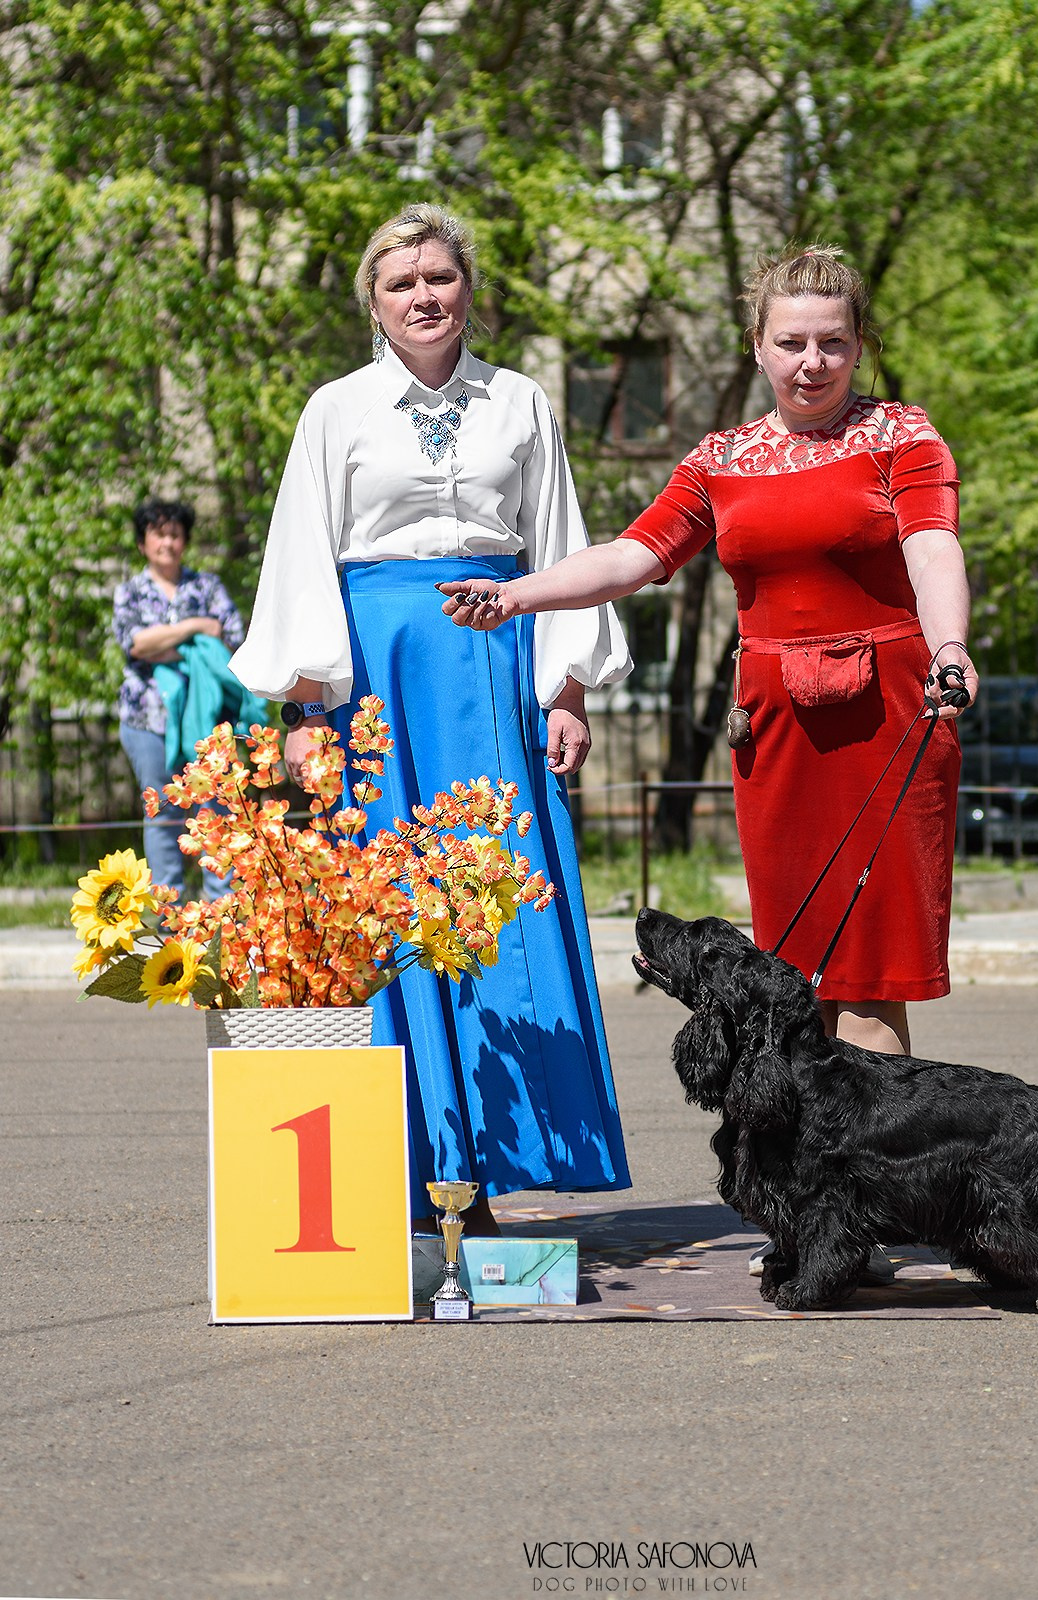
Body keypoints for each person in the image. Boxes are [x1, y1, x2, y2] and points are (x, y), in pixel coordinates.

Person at [442, 245, 978, 1272]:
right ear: (756, 346)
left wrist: (949, 645)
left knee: (867, 981)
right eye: (791, 343)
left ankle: (864, 1220)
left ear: (859, 344)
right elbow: (636, 555)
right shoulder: (722, 457)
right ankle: (827, 1209)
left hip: (886, 717)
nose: (812, 362)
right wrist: (517, 594)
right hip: (773, 729)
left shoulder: (899, 437)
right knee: (793, 980)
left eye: (832, 342)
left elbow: (930, 547)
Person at [230, 203, 633, 1234]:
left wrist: (568, 687)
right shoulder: (336, 409)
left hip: (497, 663)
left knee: (496, 898)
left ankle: (488, 1167)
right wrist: (306, 708)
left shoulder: (523, 402)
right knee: (389, 900)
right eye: (401, 281)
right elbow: (300, 556)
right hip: (378, 669)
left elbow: (558, 543)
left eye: (440, 278)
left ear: (469, 290)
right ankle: (404, 1161)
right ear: (373, 300)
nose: (423, 296)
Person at [114, 499, 248, 900]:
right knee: (161, 812)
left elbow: (230, 640)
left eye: (175, 534)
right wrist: (194, 630)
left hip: (208, 721)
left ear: (185, 541)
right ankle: (169, 912)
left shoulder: (206, 585)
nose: (168, 542)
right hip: (147, 721)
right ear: (143, 542)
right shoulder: (130, 591)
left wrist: (164, 644)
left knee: (217, 811)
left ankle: (220, 913)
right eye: (159, 533)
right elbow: (135, 643)